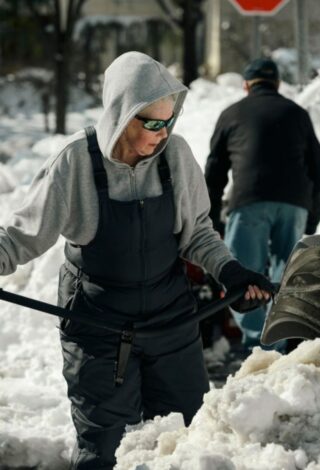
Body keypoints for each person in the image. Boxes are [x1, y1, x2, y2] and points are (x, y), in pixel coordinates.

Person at [0, 51, 274, 469]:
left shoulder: (175, 157)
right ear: (121, 114)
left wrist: (229, 271)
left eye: (168, 122)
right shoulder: (75, 162)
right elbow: (21, 236)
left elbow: (198, 232)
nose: (162, 134)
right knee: (104, 451)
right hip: (99, 329)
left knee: (189, 442)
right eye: (152, 123)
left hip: (171, 322)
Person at [205, 58, 320, 353]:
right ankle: (281, 343)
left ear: (246, 85)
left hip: (249, 201)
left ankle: (257, 347)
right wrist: (312, 216)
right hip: (294, 205)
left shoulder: (231, 113)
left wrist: (212, 220)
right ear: (278, 84)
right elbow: (318, 169)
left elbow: (214, 171)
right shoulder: (297, 113)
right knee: (285, 276)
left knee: (241, 277)